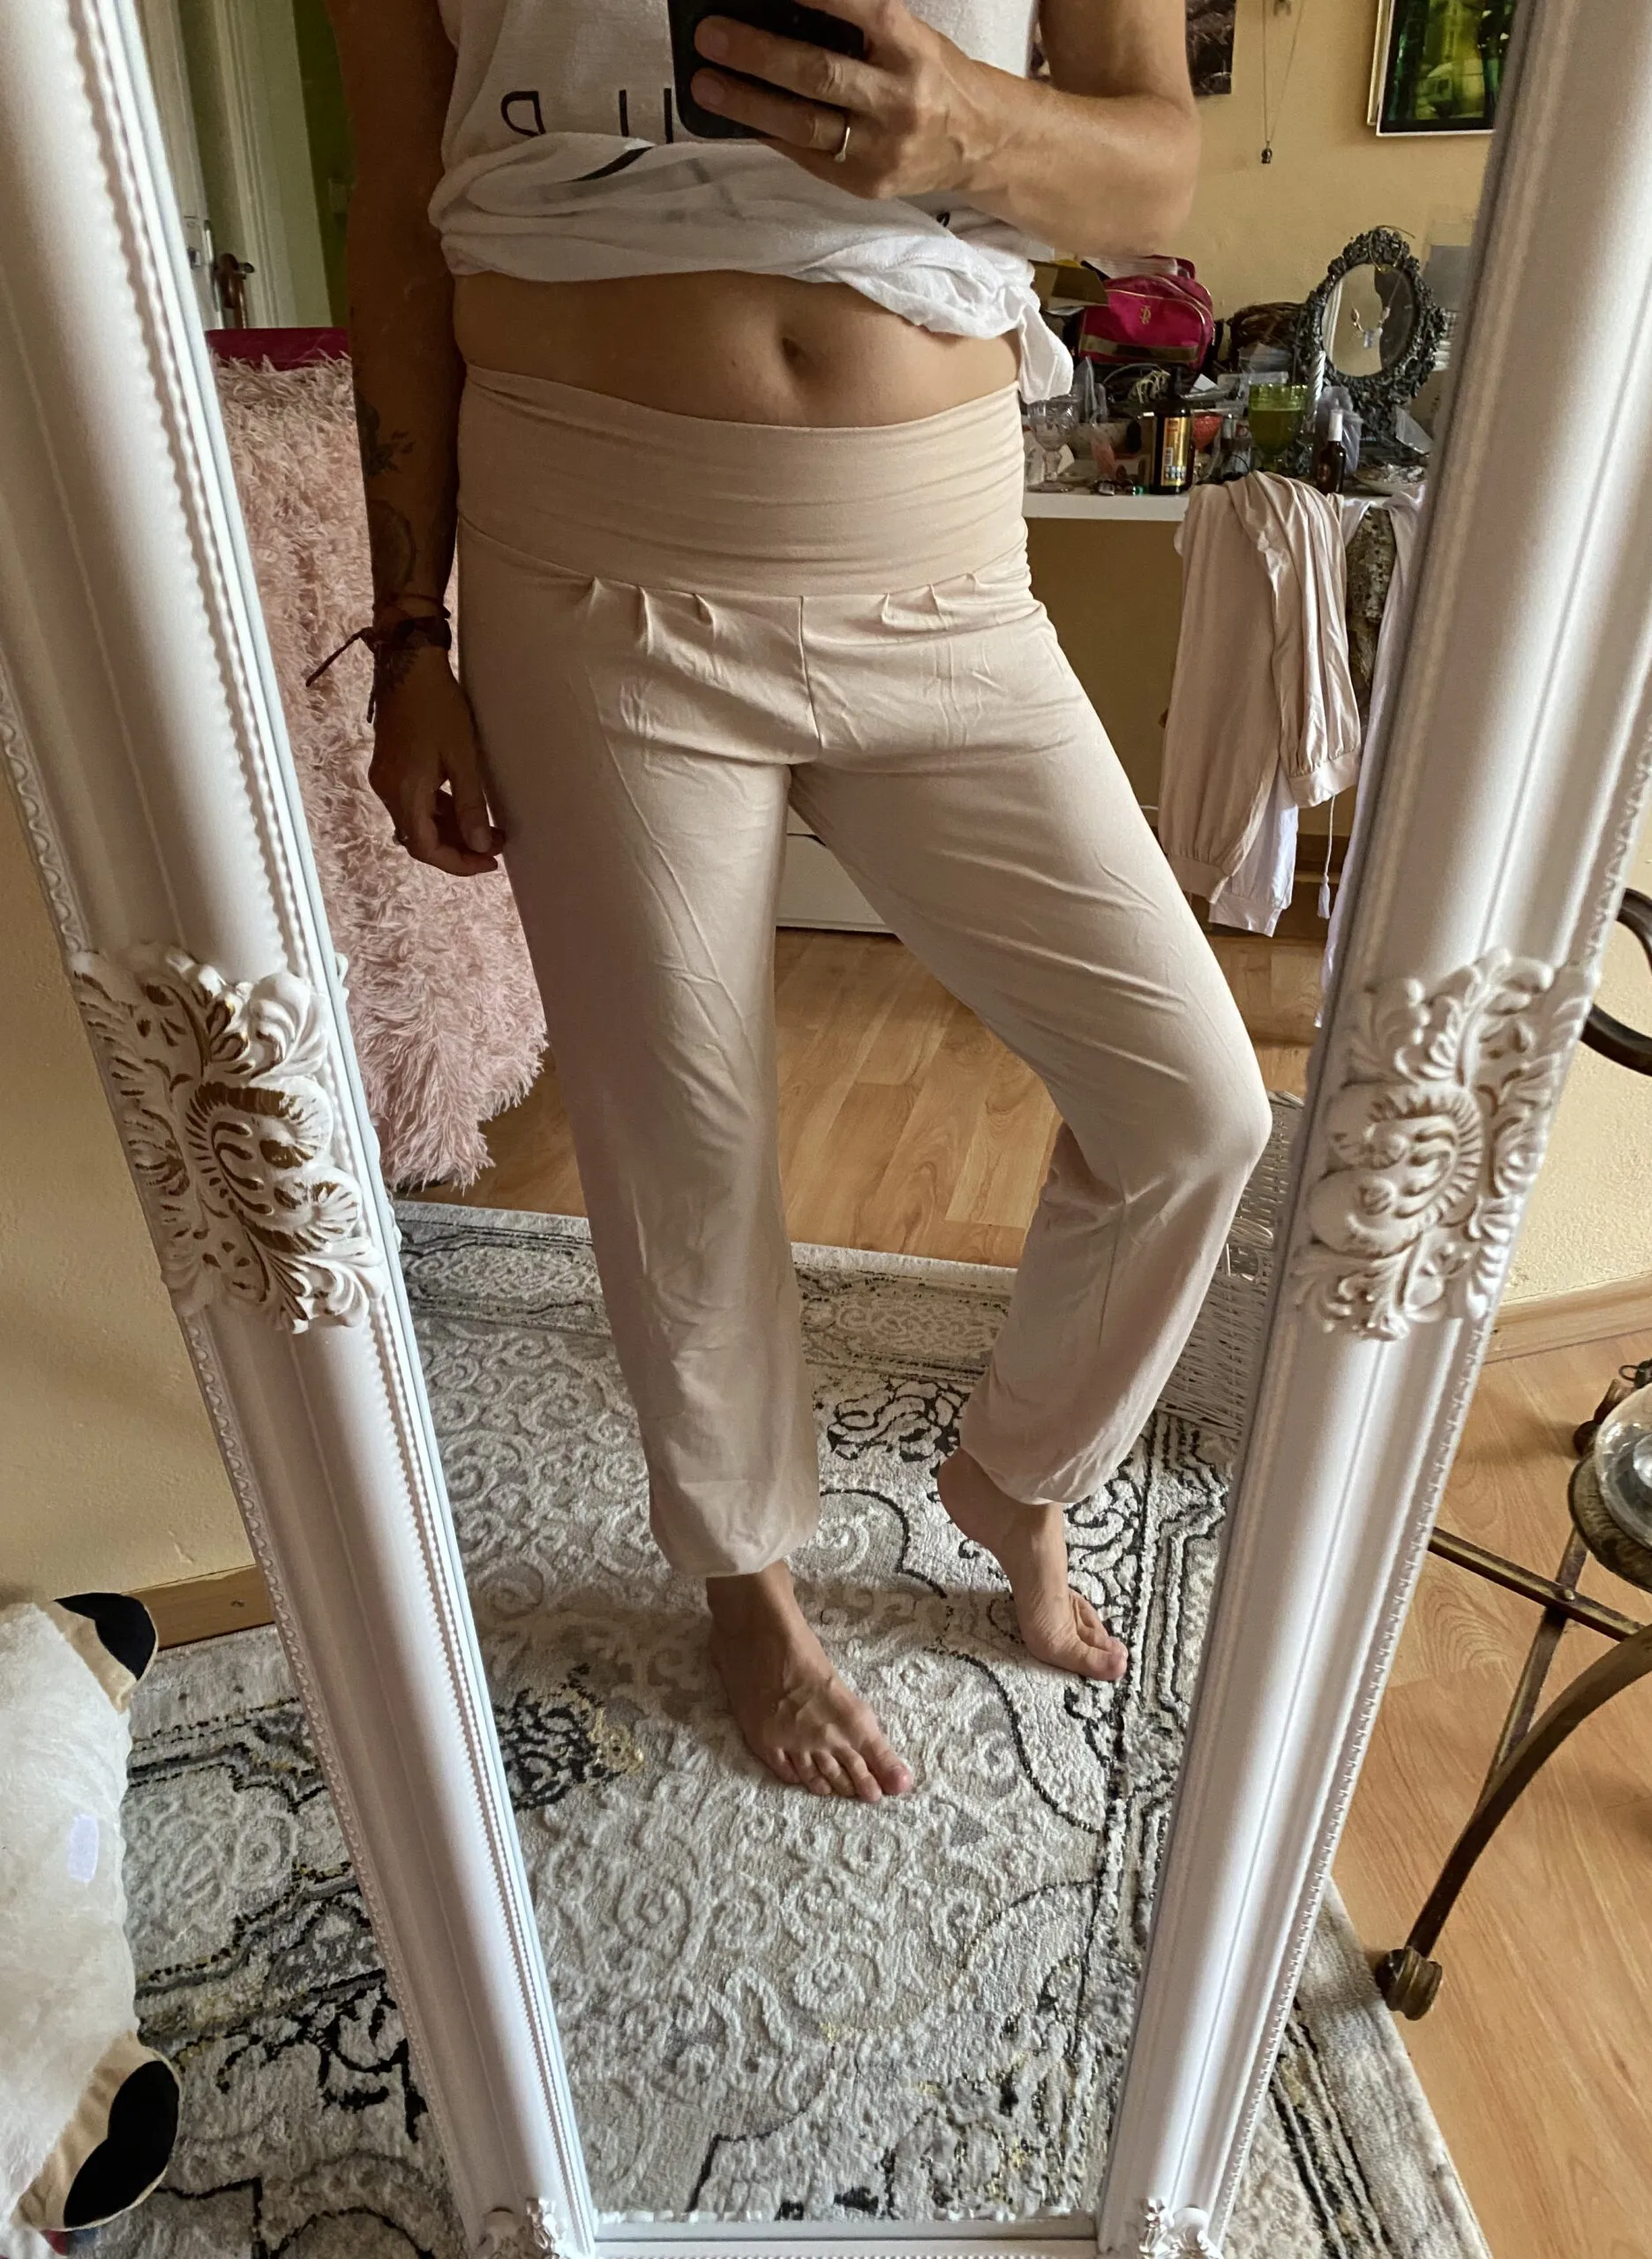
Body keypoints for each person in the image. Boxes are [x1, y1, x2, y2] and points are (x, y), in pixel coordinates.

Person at [324, 0, 1272, 1806]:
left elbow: (1155, 170)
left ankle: (1020, 1476)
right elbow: (394, 212)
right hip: (586, 560)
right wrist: (406, 633)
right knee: (679, 1145)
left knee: (1193, 1108)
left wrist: (963, 120)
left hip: (946, 562)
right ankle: (746, 1583)